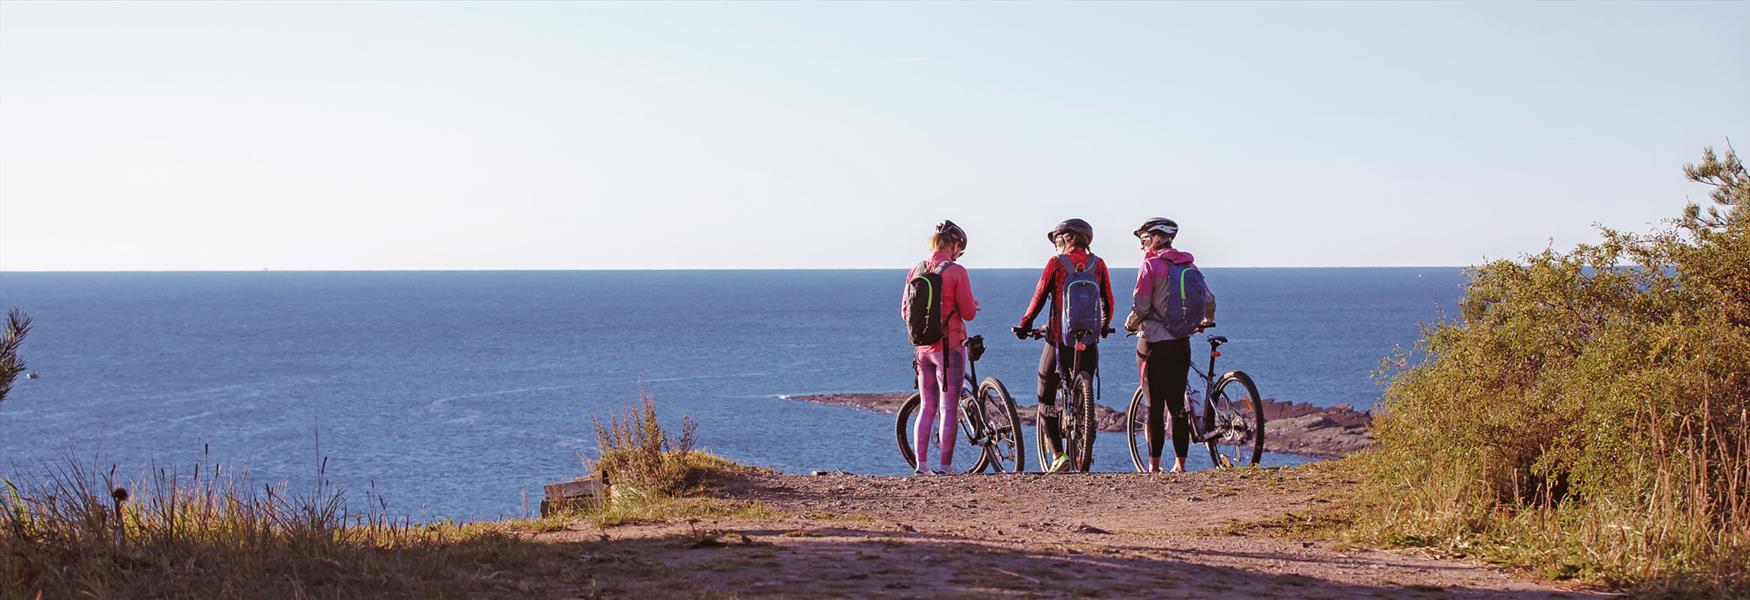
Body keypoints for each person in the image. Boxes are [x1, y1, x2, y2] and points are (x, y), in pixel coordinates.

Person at [1014, 218, 1114, 472]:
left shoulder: (1057, 264)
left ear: (1067, 239)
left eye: (1058, 240)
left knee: (1045, 396)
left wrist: (1025, 325)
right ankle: (1084, 444)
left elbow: (1038, 297)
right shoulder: (1098, 265)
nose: (1055, 245)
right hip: (1088, 341)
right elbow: (1108, 302)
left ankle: (1059, 455)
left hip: (1059, 340)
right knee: (1084, 392)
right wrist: (1102, 327)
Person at [1124, 217, 1216, 473]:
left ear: (1154, 239)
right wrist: (1206, 320)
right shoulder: (1188, 264)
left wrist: (1130, 324)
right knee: (1177, 406)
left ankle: (1153, 467)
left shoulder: (1150, 265)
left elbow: (1141, 305)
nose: (1142, 246)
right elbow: (1208, 298)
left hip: (1153, 342)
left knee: (1154, 405)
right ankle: (1180, 465)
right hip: (1181, 343)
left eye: (1144, 240)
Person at [900, 220, 979, 475]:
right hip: (950, 348)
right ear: (954, 245)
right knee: (948, 408)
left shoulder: (916, 270)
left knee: (926, 406)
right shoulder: (957, 272)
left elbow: (905, 312)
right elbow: (967, 313)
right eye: (960, 248)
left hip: (922, 349)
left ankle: (922, 467)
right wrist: (970, 305)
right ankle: (945, 467)